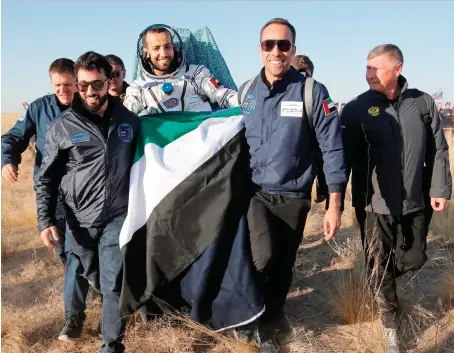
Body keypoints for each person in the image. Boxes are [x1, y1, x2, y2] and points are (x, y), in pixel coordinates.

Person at [237, 18, 347, 353]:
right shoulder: (245, 92)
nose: (276, 51)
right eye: (269, 44)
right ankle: (251, 321)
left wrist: (335, 204)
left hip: (294, 196)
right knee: (261, 257)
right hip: (254, 193)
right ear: (260, 49)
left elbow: (332, 148)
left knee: (284, 263)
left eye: (283, 45)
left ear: (292, 50)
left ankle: (271, 318)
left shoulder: (312, 91)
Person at [341, 44, 452, 353]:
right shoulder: (356, 108)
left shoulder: (422, 102)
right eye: (366, 68)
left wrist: (440, 189)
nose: (369, 74)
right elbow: (342, 158)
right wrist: (333, 196)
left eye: (376, 68)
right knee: (379, 262)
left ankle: (382, 277)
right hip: (373, 203)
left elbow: (438, 150)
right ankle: (390, 322)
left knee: (415, 258)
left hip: (416, 198)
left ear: (398, 69)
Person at [35, 51, 139, 353]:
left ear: (110, 82)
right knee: (89, 275)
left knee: (112, 284)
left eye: (97, 85)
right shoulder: (61, 127)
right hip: (78, 222)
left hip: (116, 218)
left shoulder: (129, 122)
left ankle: (111, 345)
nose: (90, 92)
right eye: (82, 86)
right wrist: (45, 220)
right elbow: (46, 179)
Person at [1, 58, 96, 341]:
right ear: (51, 83)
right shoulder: (39, 108)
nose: (63, 91)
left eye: (68, 85)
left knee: (78, 255)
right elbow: (13, 137)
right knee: (66, 255)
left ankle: (75, 316)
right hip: (50, 196)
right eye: (57, 86)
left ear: (77, 82)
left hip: (83, 195)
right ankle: (96, 289)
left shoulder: (89, 106)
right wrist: (8, 160)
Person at [123, 24, 238, 116]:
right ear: (145, 53)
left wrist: (247, 105)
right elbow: (125, 116)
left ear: (174, 48)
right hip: (165, 144)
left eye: (167, 46)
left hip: (204, 139)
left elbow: (225, 95)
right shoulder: (139, 87)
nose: (163, 53)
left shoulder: (196, 74)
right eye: (156, 48)